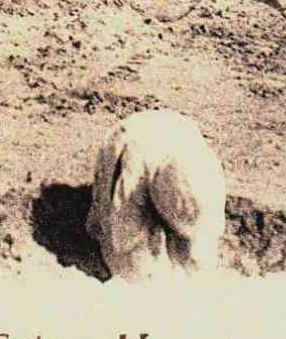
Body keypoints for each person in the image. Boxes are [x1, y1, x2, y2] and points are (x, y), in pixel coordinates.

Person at [86, 110, 228, 281]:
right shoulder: (131, 176)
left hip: (174, 139)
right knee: (128, 265)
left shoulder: (206, 180)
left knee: (197, 266)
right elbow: (125, 248)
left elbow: (202, 248)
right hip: (130, 144)